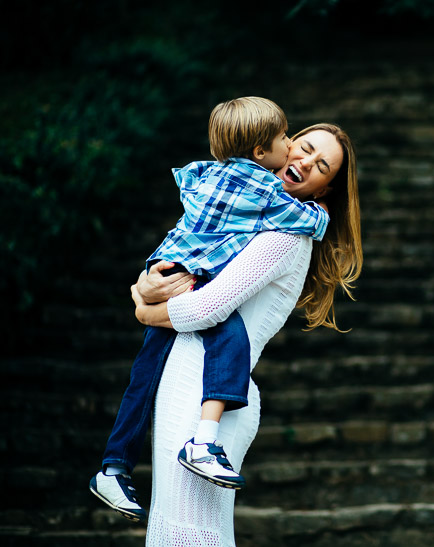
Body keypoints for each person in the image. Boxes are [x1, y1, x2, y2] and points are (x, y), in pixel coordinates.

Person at [89, 97, 331, 522]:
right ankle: (203, 441)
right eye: (291, 140)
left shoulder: (209, 172)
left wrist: (144, 297)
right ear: (262, 150)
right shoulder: (264, 194)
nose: (294, 148)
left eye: (322, 164)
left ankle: (113, 467)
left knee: (141, 378)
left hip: (169, 264)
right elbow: (309, 223)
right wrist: (321, 212)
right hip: (192, 279)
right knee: (231, 336)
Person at [135, 124, 361, 545]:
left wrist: (144, 311)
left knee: (188, 534)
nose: (306, 162)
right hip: (201, 385)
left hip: (207, 390)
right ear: (284, 145)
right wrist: (145, 284)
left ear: (324, 190)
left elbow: (207, 307)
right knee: (182, 531)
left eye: (321, 166)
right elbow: (182, 261)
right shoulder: (247, 221)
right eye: (304, 148)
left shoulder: (286, 235)